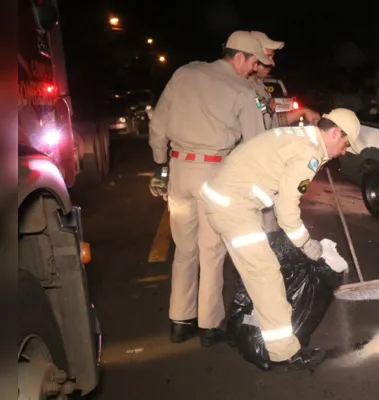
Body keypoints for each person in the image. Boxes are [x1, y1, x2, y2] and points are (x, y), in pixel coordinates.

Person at [200, 108, 364, 371]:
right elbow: (287, 210)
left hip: (227, 199)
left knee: (257, 270)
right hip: (234, 207)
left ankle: (240, 329)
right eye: (345, 144)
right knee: (265, 274)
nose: (344, 151)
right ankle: (285, 353)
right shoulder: (308, 152)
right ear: (335, 133)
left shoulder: (301, 138)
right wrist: (307, 244)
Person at [148, 30, 274, 347]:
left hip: (179, 170)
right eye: (252, 63)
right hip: (214, 172)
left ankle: (179, 321)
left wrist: (160, 164)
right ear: (240, 57)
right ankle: (209, 326)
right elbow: (255, 145)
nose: (253, 69)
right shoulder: (242, 90)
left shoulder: (184, 73)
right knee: (212, 250)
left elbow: (158, 123)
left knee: (184, 250)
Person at [245, 31, 321, 129]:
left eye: (272, 57)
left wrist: (303, 111)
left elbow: (271, 121)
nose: (272, 63)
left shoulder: (257, 85)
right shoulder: (239, 87)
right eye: (268, 56)